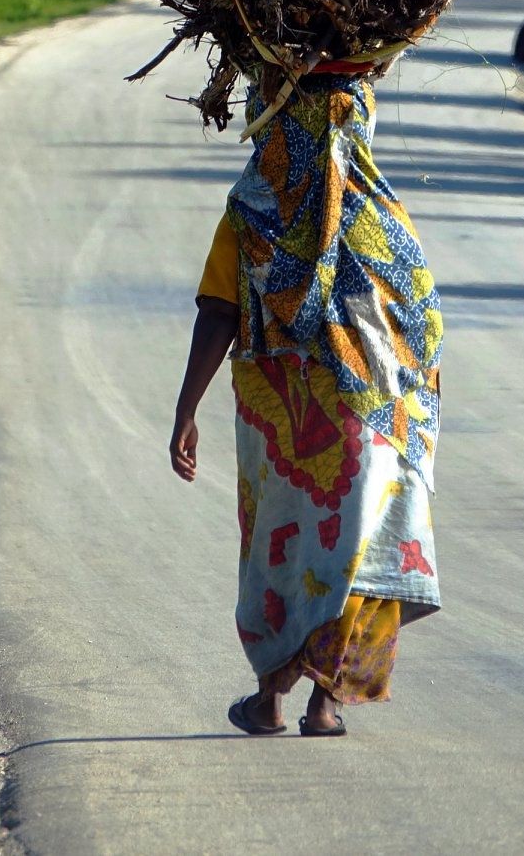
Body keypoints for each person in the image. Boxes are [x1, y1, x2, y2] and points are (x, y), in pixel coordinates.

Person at [169, 71, 442, 738]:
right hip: (377, 414)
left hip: (280, 419)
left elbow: (219, 309)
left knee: (281, 550)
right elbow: (422, 330)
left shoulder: (252, 208)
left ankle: (271, 697)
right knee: (364, 544)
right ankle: (327, 702)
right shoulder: (387, 220)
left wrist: (187, 408)